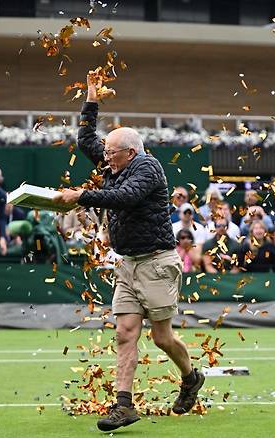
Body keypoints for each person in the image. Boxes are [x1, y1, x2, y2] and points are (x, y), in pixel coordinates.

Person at [54, 73, 204, 431]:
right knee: (124, 332)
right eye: (105, 152)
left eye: (111, 152)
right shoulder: (113, 161)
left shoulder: (148, 168)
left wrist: (81, 195)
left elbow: (124, 198)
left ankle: (191, 377)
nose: (104, 157)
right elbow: (85, 138)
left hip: (156, 262)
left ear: (130, 153)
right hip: (128, 264)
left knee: (161, 337)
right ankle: (124, 406)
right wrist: (91, 99)